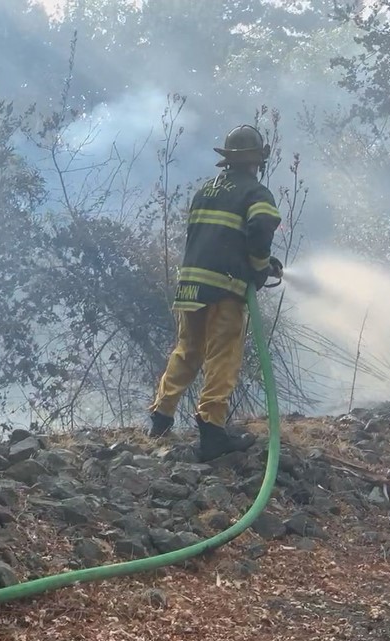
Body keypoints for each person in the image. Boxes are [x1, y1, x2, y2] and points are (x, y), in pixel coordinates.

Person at [146, 124, 284, 462]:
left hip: (191, 285)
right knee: (223, 354)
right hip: (225, 287)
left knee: (188, 350)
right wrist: (259, 265)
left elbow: (222, 235)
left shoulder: (206, 190)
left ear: (228, 160)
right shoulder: (256, 193)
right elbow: (261, 227)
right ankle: (212, 431)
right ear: (257, 161)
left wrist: (261, 262)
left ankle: (161, 418)